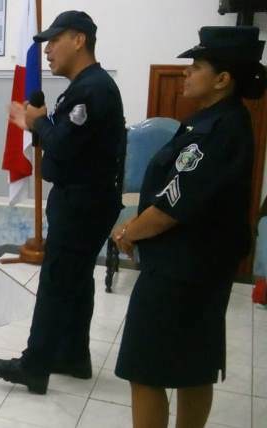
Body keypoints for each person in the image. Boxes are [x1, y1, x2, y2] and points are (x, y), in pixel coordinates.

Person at [110, 27, 266, 428]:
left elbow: (171, 207)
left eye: (196, 66)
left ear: (222, 79)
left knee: (145, 369)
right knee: (193, 366)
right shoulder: (215, 120)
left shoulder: (219, 129)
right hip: (196, 267)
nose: (186, 72)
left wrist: (128, 232)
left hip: (182, 271)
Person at [0, 10, 126, 394]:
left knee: (56, 281)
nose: (47, 51)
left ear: (79, 40)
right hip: (85, 200)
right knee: (76, 281)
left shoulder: (91, 90)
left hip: (83, 202)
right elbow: (71, 144)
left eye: (54, 41)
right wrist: (39, 125)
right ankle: (73, 356)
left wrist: (38, 123)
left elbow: (62, 144)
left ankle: (35, 366)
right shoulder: (87, 86)